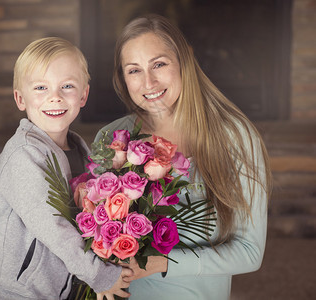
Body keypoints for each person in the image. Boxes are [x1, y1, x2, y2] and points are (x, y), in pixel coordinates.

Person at [95, 14, 272, 300]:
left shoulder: (236, 137)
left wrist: (163, 264)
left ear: (184, 61)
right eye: (134, 70)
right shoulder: (111, 138)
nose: (148, 82)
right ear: (122, 77)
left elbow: (249, 253)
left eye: (159, 64)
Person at [0, 37, 132, 300]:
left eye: (67, 86)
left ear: (83, 95)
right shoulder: (22, 155)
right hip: (16, 293)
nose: (55, 97)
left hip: (59, 290)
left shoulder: (81, 151)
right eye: (40, 87)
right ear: (20, 98)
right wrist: (99, 276)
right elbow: (53, 226)